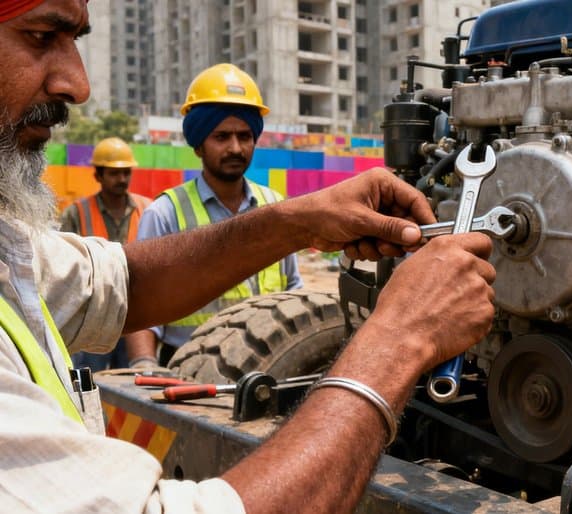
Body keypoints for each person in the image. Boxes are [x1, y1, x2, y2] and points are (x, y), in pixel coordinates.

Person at [0, 1, 495, 513]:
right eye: (40, 36)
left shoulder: (7, 247)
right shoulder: (168, 208)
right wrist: (401, 337)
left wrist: (300, 220)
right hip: (187, 376)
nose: (78, 84)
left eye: (75, 41)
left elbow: (116, 283)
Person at [126, 63, 302, 367]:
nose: (235, 147)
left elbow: (292, 290)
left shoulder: (275, 206)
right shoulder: (165, 213)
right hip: (187, 371)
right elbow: (139, 305)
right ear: (198, 146)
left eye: (244, 136)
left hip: (267, 366)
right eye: (221, 137)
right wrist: (143, 363)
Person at [58, 136, 151, 371]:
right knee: (88, 384)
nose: (122, 179)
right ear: (98, 175)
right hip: (93, 318)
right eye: (113, 173)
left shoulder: (148, 209)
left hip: (136, 316)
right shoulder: (76, 213)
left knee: (133, 389)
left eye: (126, 173)